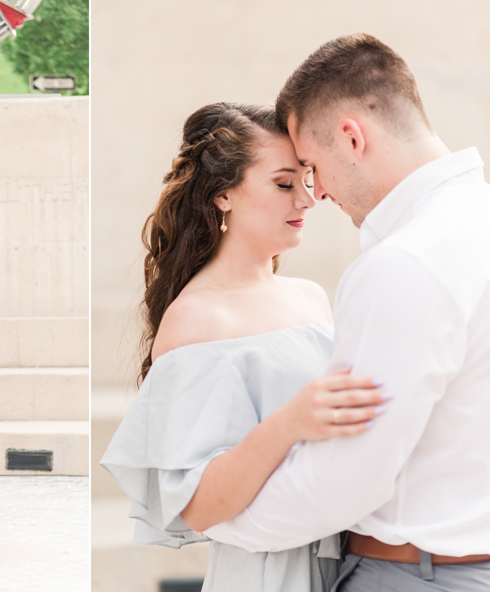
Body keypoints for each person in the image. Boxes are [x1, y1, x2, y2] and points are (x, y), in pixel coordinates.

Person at [205, 34, 490, 591]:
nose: (317, 194)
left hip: (411, 575)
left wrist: (212, 514)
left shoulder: (404, 263)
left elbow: (341, 485)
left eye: (311, 165)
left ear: (352, 137)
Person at [101, 102, 387, 591]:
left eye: (307, 179)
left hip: (350, 558)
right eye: (282, 184)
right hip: (268, 575)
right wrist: (290, 423)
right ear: (222, 196)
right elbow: (196, 506)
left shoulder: (311, 296)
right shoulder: (196, 318)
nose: (306, 200)